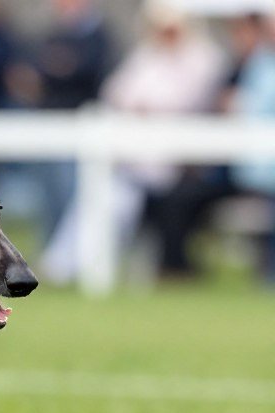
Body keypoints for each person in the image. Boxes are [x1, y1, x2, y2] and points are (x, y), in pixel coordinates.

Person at [41, 1, 225, 284]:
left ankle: (71, 267)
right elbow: (114, 92)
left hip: (176, 162)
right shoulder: (148, 55)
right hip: (133, 159)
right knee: (103, 199)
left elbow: (186, 101)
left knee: (112, 197)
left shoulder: (202, 58)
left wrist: (146, 107)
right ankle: (67, 265)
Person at [154, 13, 275, 280]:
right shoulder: (248, 66)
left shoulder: (259, 67)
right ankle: (177, 272)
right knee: (175, 198)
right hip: (238, 170)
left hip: (260, 173)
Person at [8, 0, 113, 253]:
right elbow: (32, 70)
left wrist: (59, 69)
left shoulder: (98, 36)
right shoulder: (53, 33)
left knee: (72, 198)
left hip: (77, 128)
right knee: (48, 198)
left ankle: (73, 256)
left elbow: (86, 74)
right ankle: (52, 254)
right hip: (46, 124)